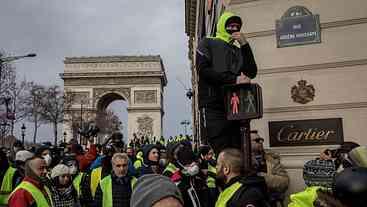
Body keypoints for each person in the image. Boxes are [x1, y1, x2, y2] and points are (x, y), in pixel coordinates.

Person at [196, 11, 257, 154]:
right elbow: (203, 71)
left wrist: (244, 45)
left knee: (238, 149)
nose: (234, 28)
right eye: (230, 25)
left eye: (237, 26)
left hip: (235, 105)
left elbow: (251, 71)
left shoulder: (238, 49)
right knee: (222, 150)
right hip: (213, 104)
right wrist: (234, 80)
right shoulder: (207, 42)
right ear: (222, 25)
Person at [251, 130, 289, 207]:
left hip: (268, 201)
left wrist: (263, 177)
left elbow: (285, 181)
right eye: (257, 140)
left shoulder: (271, 159)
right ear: (247, 143)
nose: (261, 142)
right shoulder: (240, 160)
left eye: (262, 140)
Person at [163, 142, 201, 207]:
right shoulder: (169, 170)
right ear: (172, 153)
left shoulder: (183, 164)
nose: (182, 150)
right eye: (179, 149)